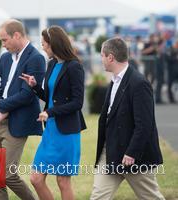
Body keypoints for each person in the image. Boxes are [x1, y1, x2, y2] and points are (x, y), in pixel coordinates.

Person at [90, 37, 164, 200]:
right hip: (111, 151)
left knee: (151, 197)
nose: (101, 59)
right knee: (98, 197)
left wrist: (132, 152)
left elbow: (145, 124)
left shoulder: (139, 83)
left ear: (110, 57)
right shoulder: (114, 80)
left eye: (102, 55)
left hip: (133, 156)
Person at [20, 26, 86, 200]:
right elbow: (50, 97)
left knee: (63, 182)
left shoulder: (74, 67)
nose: (43, 47)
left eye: (44, 44)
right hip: (50, 130)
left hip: (66, 132)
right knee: (36, 179)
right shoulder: (51, 64)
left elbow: (77, 103)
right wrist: (35, 86)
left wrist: (50, 112)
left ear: (54, 44)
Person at [0, 19, 46, 200]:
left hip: (17, 124)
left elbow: (27, 95)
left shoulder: (36, 59)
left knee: (8, 175)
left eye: (4, 40)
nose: (2, 44)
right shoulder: (4, 57)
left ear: (16, 35)